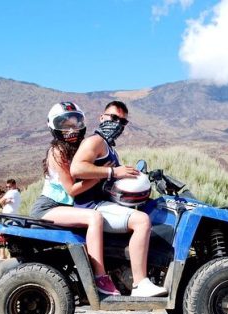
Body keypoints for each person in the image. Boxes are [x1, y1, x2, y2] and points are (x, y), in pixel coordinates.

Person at [70, 100, 167, 297]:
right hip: (91, 206)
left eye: (122, 122)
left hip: (101, 204)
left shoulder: (109, 147)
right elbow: (77, 168)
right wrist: (113, 171)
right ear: (102, 117)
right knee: (142, 221)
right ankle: (140, 284)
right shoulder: (95, 142)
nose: (117, 124)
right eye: (113, 118)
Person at [29, 101, 120, 296]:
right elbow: (71, 190)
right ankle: (100, 277)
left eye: (76, 123)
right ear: (54, 126)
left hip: (69, 207)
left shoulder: (80, 148)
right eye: (65, 124)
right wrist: (104, 174)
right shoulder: (58, 152)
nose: (71, 129)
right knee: (93, 218)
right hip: (50, 207)